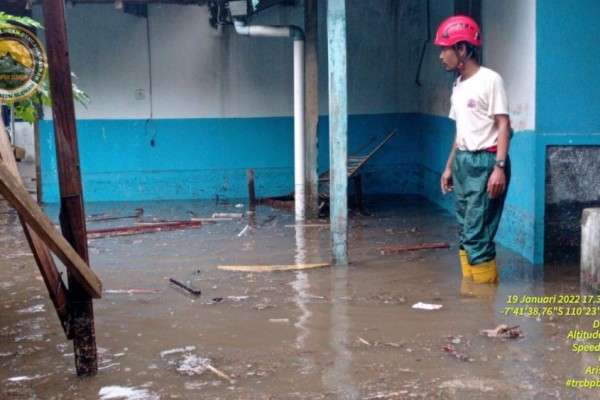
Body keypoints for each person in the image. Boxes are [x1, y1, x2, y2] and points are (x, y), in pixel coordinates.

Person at [434, 15, 511, 284]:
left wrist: (498, 168)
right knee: (466, 231)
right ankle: (472, 299)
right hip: (463, 162)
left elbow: (504, 125)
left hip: (487, 161)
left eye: (445, 49)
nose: (442, 56)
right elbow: (461, 133)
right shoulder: (457, 86)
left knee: (478, 232)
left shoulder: (491, 80)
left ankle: (484, 300)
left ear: (463, 49)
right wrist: (448, 167)